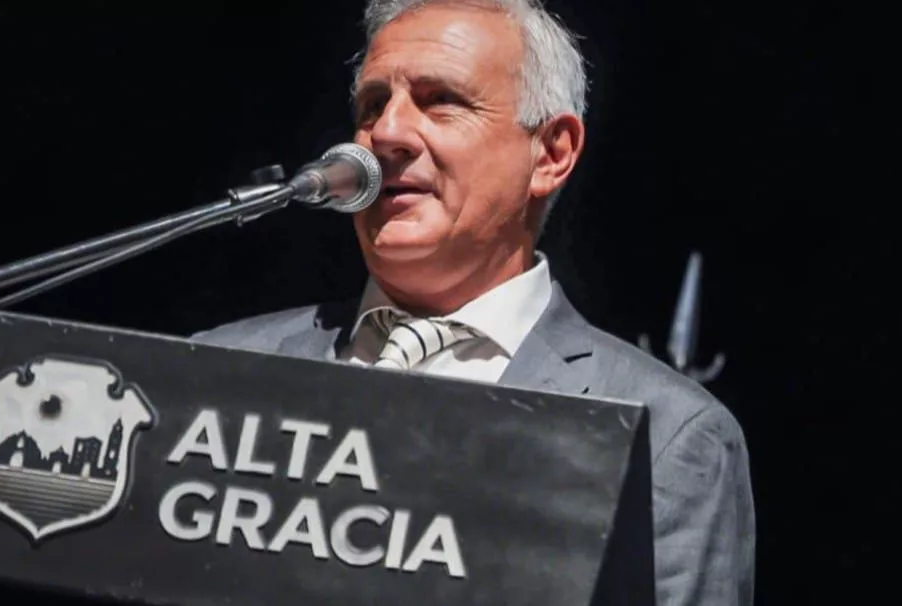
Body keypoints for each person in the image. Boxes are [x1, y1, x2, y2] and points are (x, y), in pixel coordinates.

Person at [192, 0, 755, 604]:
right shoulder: (214, 372)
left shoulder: (665, 436)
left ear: (552, 153)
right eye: (373, 105)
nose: (386, 134)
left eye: (441, 100)